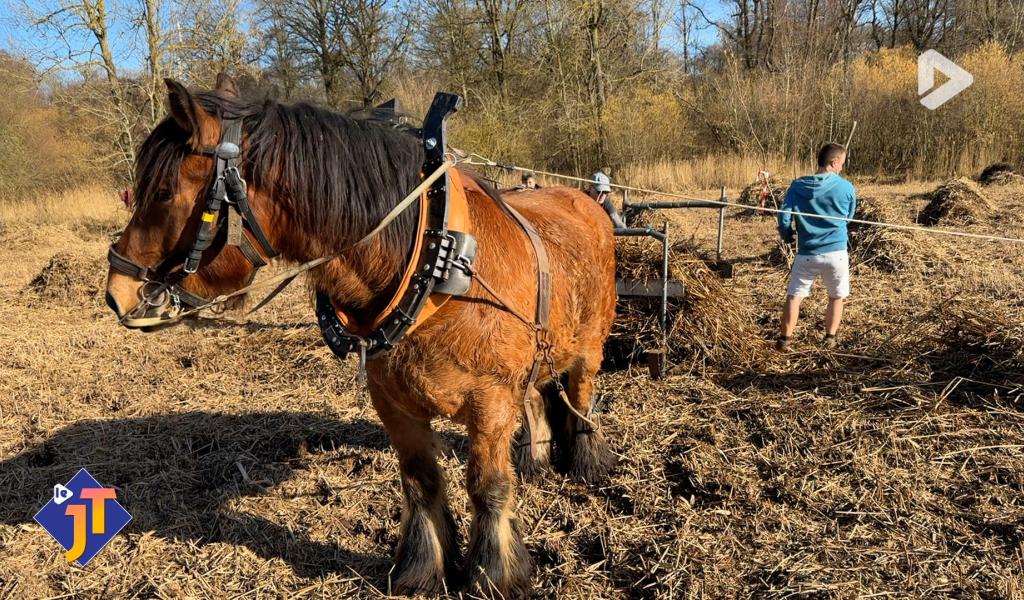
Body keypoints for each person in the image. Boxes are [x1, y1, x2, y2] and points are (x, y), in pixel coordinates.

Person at [776, 143, 857, 351]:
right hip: (836, 253)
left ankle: (785, 340)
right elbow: (848, 218)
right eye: (841, 164)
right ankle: (830, 338)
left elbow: (784, 217)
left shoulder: (797, 186)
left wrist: (787, 236)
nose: (841, 169)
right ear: (834, 162)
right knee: (837, 297)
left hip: (807, 253)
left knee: (794, 297)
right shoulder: (847, 187)